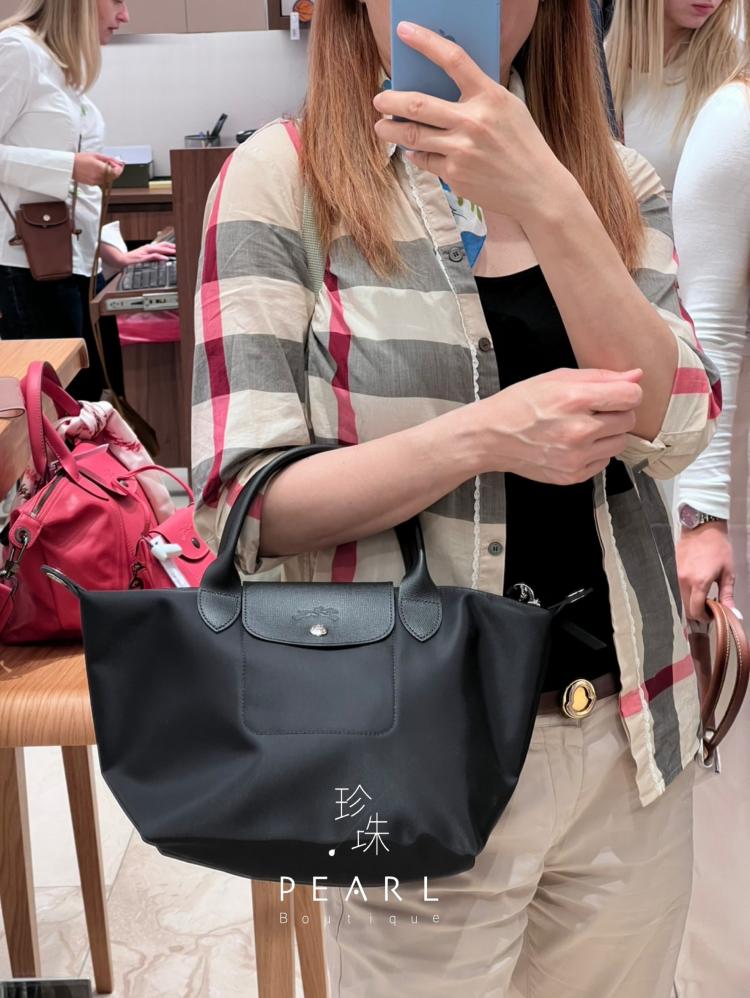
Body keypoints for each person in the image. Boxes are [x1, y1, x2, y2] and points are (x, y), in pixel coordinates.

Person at [192, 0, 720, 994]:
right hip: (411, 754)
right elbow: (241, 503)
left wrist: (550, 198)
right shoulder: (282, 182)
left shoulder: (616, 184)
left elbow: (681, 422)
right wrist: (481, 437)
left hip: (627, 742)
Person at [608, 3, 750, 995]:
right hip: (669, 447)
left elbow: (713, 326)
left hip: (699, 451)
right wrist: (699, 511)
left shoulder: (723, 98)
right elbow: (703, 326)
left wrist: (702, 510)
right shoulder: (604, 81)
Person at [0, 0, 175, 401]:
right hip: (27, 269)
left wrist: (110, 252)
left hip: (69, 264)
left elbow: (69, 190)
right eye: (116, 1)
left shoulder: (59, 67)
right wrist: (68, 167)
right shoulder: (17, 51)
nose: (125, 15)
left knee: (86, 402)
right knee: (59, 410)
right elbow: (64, 171)